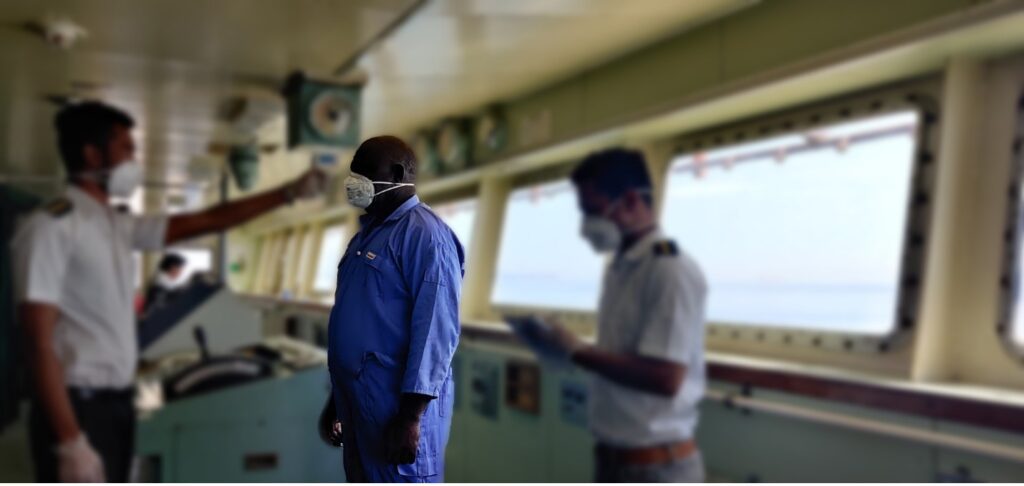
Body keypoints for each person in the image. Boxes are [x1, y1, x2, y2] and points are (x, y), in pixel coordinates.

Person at [11, 101, 327, 483]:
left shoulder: (114, 224)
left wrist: (287, 194)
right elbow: (36, 340)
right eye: (126, 149)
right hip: (77, 407)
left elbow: (205, 220)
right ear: (91, 154)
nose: (133, 161)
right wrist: (69, 440)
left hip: (115, 404)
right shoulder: (51, 226)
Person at [512, 148, 707, 483]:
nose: (587, 225)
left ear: (631, 201)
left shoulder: (669, 269)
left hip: (657, 468)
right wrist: (557, 344)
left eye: (593, 210)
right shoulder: (622, 267)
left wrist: (577, 350)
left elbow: (666, 377)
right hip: (615, 460)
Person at [322, 136, 464, 483]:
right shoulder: (365, 237)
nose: (354, 182)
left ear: (398, 173)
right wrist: (336, 402)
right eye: (353, 173)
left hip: (395, 409)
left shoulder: (425, 236)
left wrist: (411, 418)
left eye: (365, 172)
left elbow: (436, 330)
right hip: (358, 402)